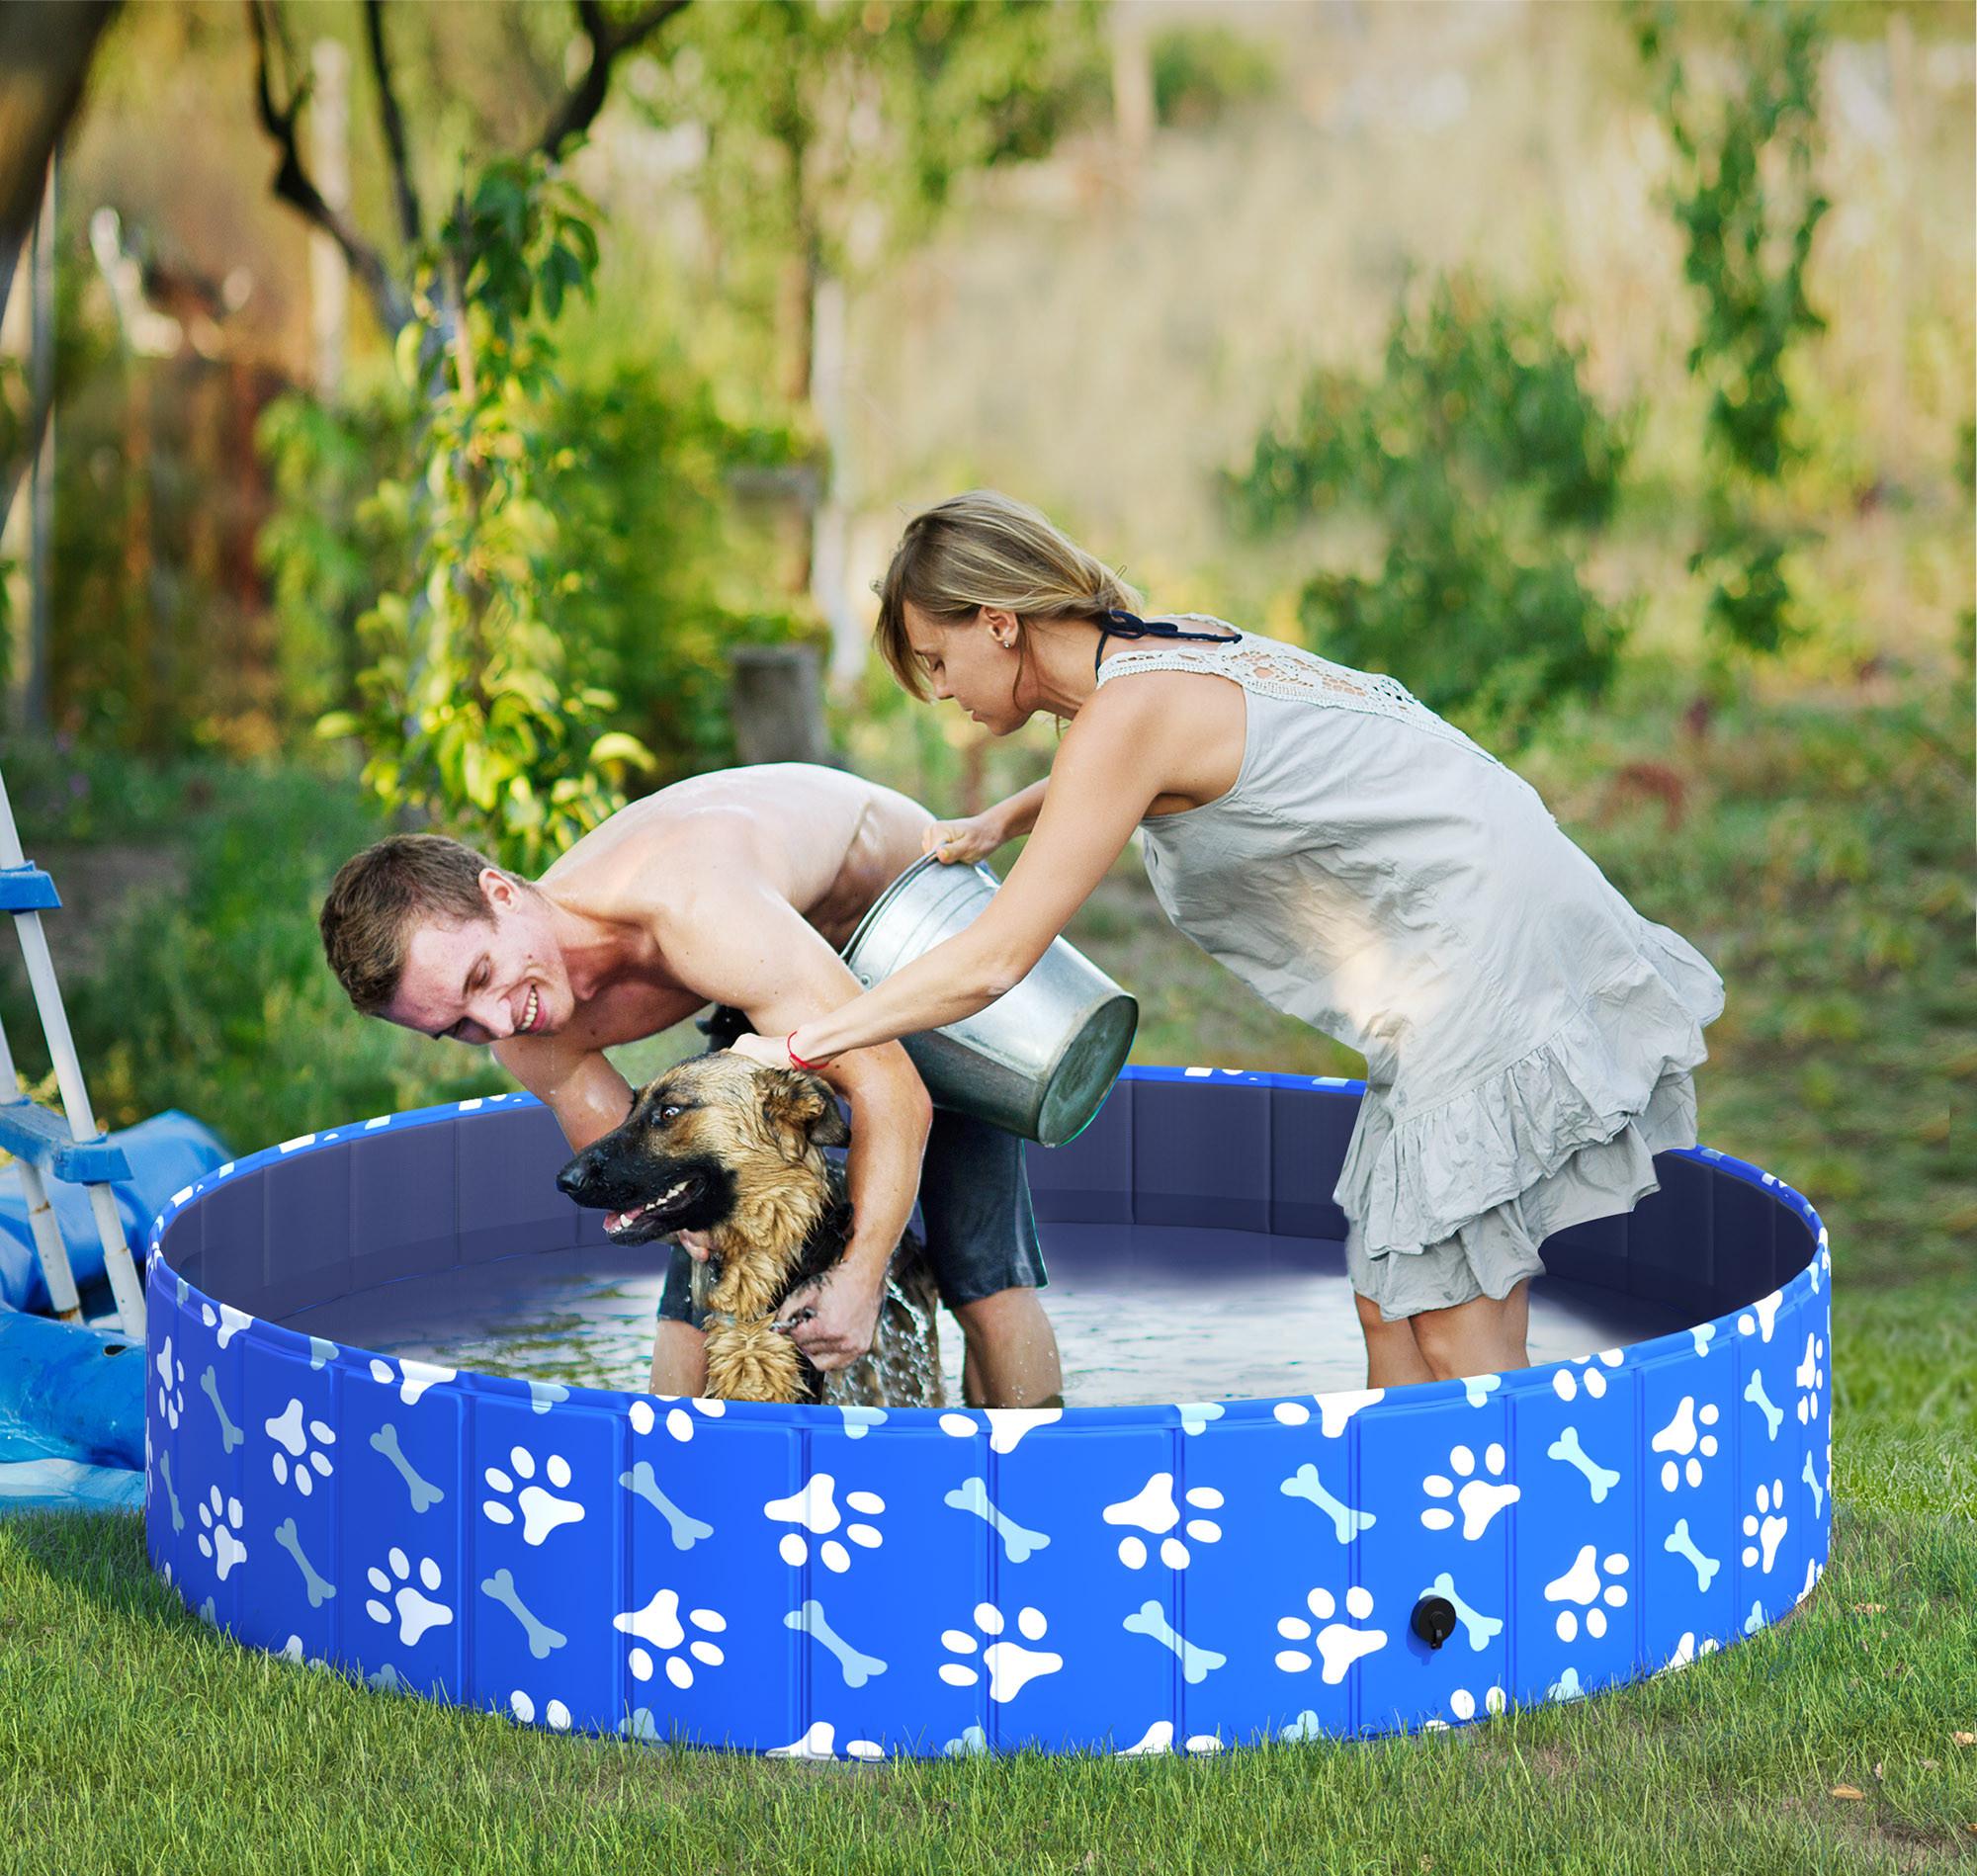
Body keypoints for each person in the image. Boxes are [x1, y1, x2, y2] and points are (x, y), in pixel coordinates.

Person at [730, 490, 1723, 1389]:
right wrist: (1006, 820)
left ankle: (1512, 1573)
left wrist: (806, 1041)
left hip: (1470, 948)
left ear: (999, 623)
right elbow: (1163, 756)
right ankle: (1414, 1567)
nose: (941, 691)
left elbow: (993, 958)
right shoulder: (1161, 645)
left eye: (939, 662)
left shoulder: (1126, 717)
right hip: (1490, 903)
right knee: (1389, 1303)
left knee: (1453, 1319)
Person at [316, 765, 1062, 1405]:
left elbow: (894, 1091)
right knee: (696, 1285)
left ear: (501, 893)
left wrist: (862, 1278)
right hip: (780, 979)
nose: (500, 1019)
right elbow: (670, 1203)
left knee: (981, 1269)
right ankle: (677, 1487)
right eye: (459, 1026)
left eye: (482, 975)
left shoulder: (693, 907)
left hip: (918, 928)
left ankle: (1040, 1486)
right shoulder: (523, 1032)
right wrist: (716, 1244)